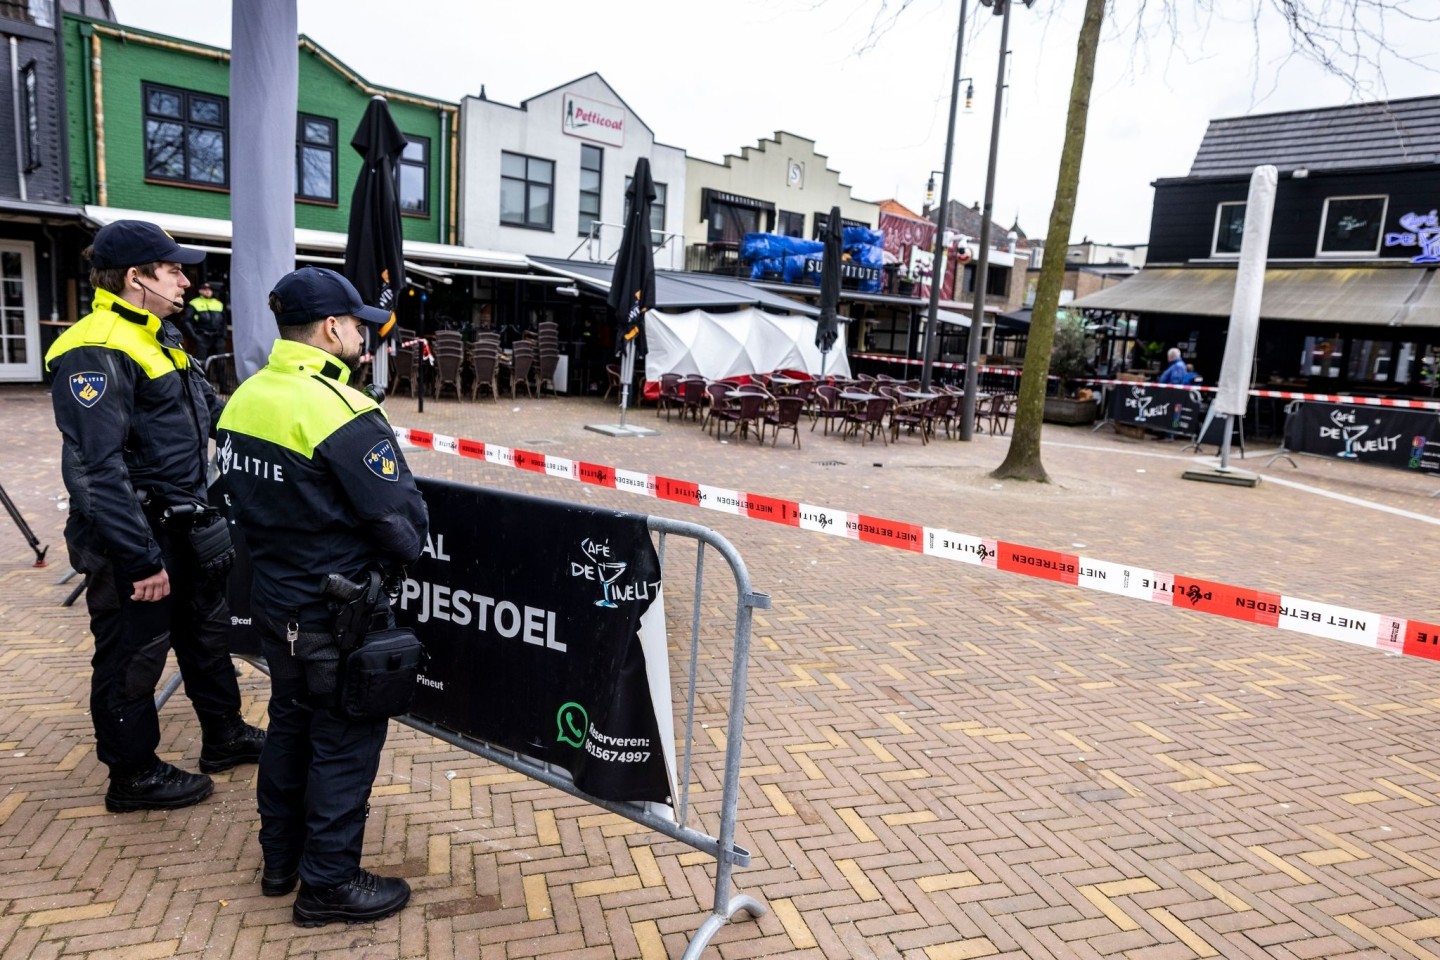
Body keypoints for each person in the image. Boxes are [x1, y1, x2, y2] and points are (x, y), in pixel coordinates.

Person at [216, 266, 428, 927]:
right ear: (332, 329)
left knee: (289, 727)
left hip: (278, 603)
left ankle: (280, 861)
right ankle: (328, 884)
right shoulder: (341, 410)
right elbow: (405, 528)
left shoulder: (244, 396)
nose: (365, 335)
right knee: (343, 742)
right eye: (359, 325)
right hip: (337, 616)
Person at [43, 219, 265, 813]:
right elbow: (95, 470)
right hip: (134, 539)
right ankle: (133, 774)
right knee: (133, 654)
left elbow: (201, 414)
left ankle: (224, 735)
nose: (186, 280)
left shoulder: (160, 335)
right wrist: (139, 558)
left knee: (206, 634)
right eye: (173, 270)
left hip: (184, 526)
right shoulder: (95, 346)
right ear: (137, 277)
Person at [182, 281, 228, 364]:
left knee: (221, 363)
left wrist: (223, 335)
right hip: (203, 337)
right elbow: (186, 321)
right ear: (200, 291)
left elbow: (224, 321)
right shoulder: (194, 303)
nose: (208, 291)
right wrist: (195, 336)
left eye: (210, 289)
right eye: (205, 289)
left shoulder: (218, 303)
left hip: (218, 338)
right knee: (201, 363)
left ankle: (221, 377)